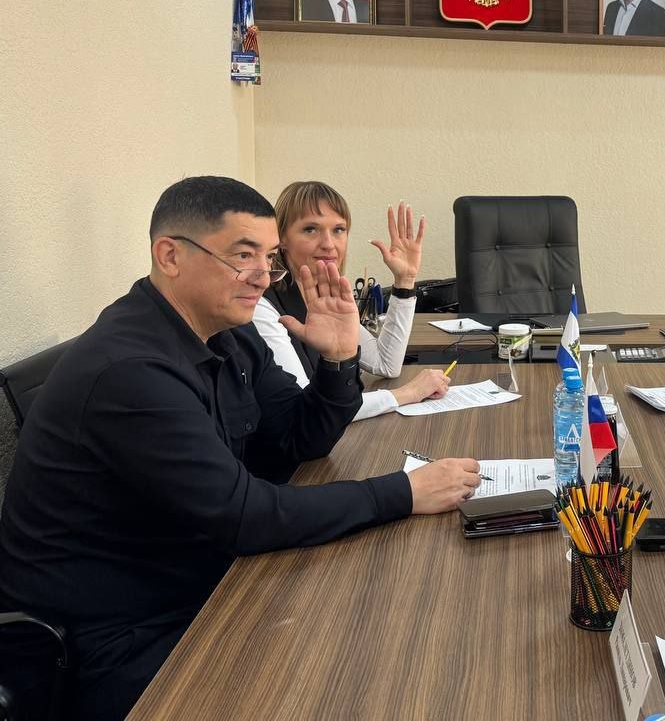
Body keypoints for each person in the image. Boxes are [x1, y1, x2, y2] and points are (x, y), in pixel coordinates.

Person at [0, 176, 480, 721]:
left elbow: (298, 439)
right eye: (242, 255)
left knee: (379, 623)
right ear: (170, 256)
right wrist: (404, 492)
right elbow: (246, 517)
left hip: (200, 580)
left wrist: (338, 359)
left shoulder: (230, 332)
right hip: (111, 639)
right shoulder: (130, 370)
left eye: (269, 258)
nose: (262, 276)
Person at [254, 181, 450, 424]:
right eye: (310, 229)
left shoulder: (328, 295)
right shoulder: (261, 305)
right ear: (281, 238)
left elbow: (385, 364)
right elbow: (304, 405)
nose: (329, 243)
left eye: (338, 230)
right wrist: (409, 393)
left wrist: (405, 281)